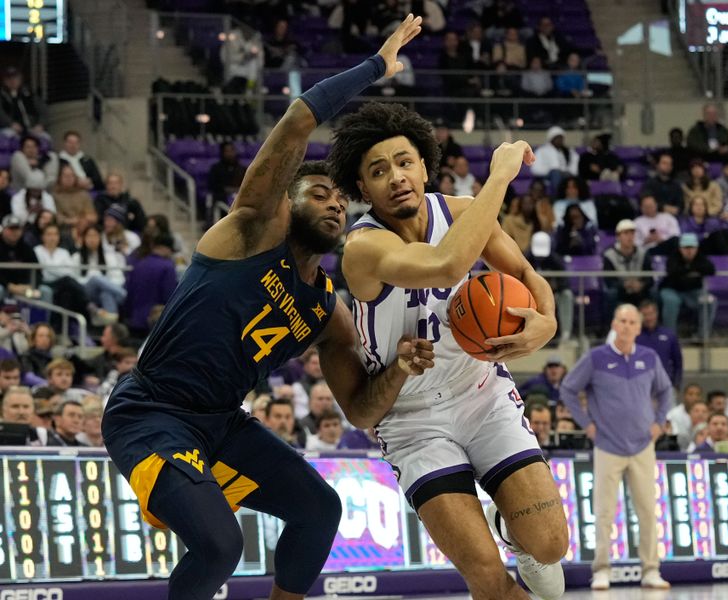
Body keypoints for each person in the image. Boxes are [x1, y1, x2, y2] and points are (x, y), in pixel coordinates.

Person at [101, 17, 435, 600]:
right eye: (320, 193)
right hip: (152, 410)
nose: (336, 205)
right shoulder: (253, 228)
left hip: (220, 424)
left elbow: (358, 407)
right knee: (220, 546)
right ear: (287, 199)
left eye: (342, 200)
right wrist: (377, 67)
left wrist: (401, 364)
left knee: (318, 507)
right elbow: (299, 120)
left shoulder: (325, 310)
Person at [329, 101, 568, 600]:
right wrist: (499, 177)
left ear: (423, 165)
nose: (395, 177)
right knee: (484, 573)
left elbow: (525, 275)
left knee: (550, 546)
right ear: (362, 190)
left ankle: (513, 532)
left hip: (481, 393)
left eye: (404, 162)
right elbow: (443, 264)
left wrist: (544, 323)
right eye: (378, 171)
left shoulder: (458, 211)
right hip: (412, 418)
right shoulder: (363, 249)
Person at [560, 304, 672, 590]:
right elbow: (569, 389)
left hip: (643, 446)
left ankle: (650, 570)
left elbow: (666, 390)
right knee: (605, 512)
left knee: (647, 510)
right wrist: (587, 424)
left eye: (631, 322)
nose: (626, 326)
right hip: (608, 445)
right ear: (614, 323)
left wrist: (659, 422)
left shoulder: (649, 357)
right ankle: (601, 570)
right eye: (621, 320)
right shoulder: (596, 358)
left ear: (638, 327)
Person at [659, 232, 716, 338]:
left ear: (697, 248)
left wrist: (686, 271)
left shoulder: (700, 257)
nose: (689, 251)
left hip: (693, 292)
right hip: (672, 290)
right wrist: (693, 270)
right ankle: (669, 336)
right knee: (671, 301)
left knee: (710, 300)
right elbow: (672, 271)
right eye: (686, 248)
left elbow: (711, 269)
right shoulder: (673, 256)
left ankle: (702, 336)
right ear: (680, 248)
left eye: (692, 247)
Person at [602, 219, 653, 317]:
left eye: (632, 233)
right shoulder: (609, 255)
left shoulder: (643, 253)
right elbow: (609, 280)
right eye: (626, 233)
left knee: (654, 293)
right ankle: (611, 328)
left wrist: (641, 284)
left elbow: (649, 278)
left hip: (640, 291)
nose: (630, 237)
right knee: (611, 294)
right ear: (618, 236)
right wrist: (624, 285)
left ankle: (654, 328)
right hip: (620, 291)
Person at [636, 299, 683, 388]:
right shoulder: (634, 336)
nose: (649, 318)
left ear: (656, 314)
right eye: (645, 315)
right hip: (640, 386)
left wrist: (677, 384)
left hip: (665, 384)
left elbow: (678, 362)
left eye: (651, 314)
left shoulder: (669, 335)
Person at [531, 125, 579, 192]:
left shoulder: (568, 151)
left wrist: (565, 172)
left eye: (561, 138)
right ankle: (558, 195)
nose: (560, 140)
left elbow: (574, 167)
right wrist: (553, 170)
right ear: (551, 139)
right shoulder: (541, 151)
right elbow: (535, 170)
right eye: (557, 138)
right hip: (547, 176)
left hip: (565, 175)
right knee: (555, 173)